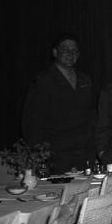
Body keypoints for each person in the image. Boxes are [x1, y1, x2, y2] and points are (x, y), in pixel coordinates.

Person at [21, 33, 96, 173]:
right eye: (65, 50)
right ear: (55, 52)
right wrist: (38, 155)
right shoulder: (43, 81)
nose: (70, 54)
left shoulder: (85, 80)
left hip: (83, 152)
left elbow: (91, 114)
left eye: (74, 51)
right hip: (56, 154)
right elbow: (32, 122)